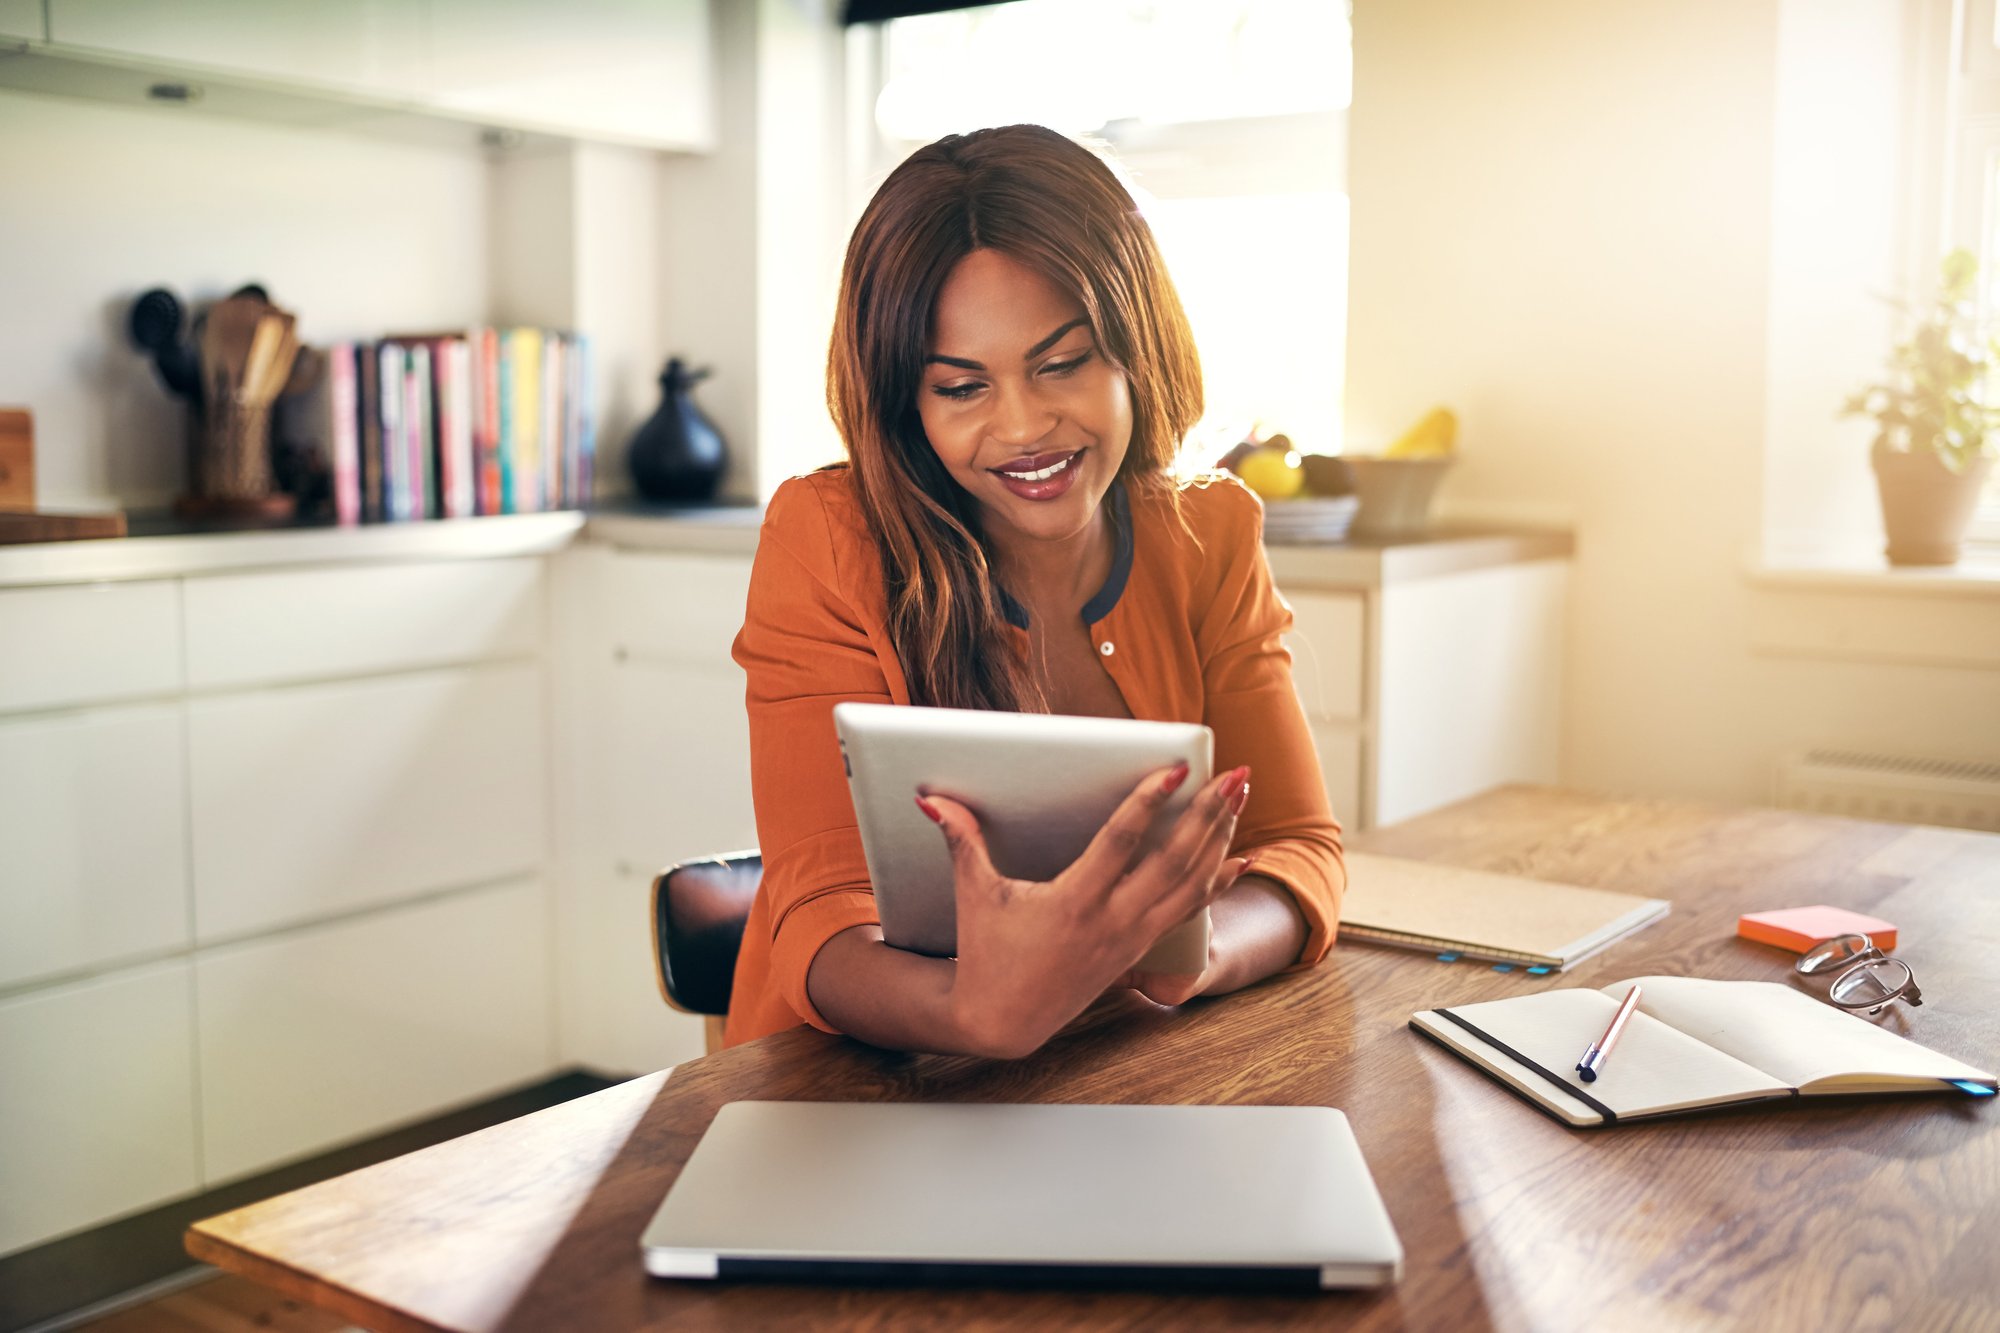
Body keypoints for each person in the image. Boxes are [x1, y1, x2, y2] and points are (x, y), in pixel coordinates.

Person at [726, 124, 1343, 1056]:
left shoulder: (1209, 531)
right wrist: (978, 1013)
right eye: (961, 387)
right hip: (865, 1085)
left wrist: (1193, 958)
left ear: (1139, 347)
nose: (1023, 426)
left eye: (1062, 363)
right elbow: (818, 915)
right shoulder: (827, 538)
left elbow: (1301, 848)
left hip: (1116, 1057)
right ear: (907, 405)